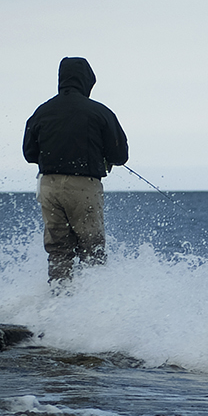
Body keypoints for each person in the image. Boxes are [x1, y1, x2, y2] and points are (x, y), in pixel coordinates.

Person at [23, 57, 129, 283]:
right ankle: (92, 308)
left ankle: (59, 304)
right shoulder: (99, 112)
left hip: (48, 187)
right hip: (83, 187)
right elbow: (120, 156)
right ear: (87, 81)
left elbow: (29, 153)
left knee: (58, 250)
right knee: (92, 249)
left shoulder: (41, 111)